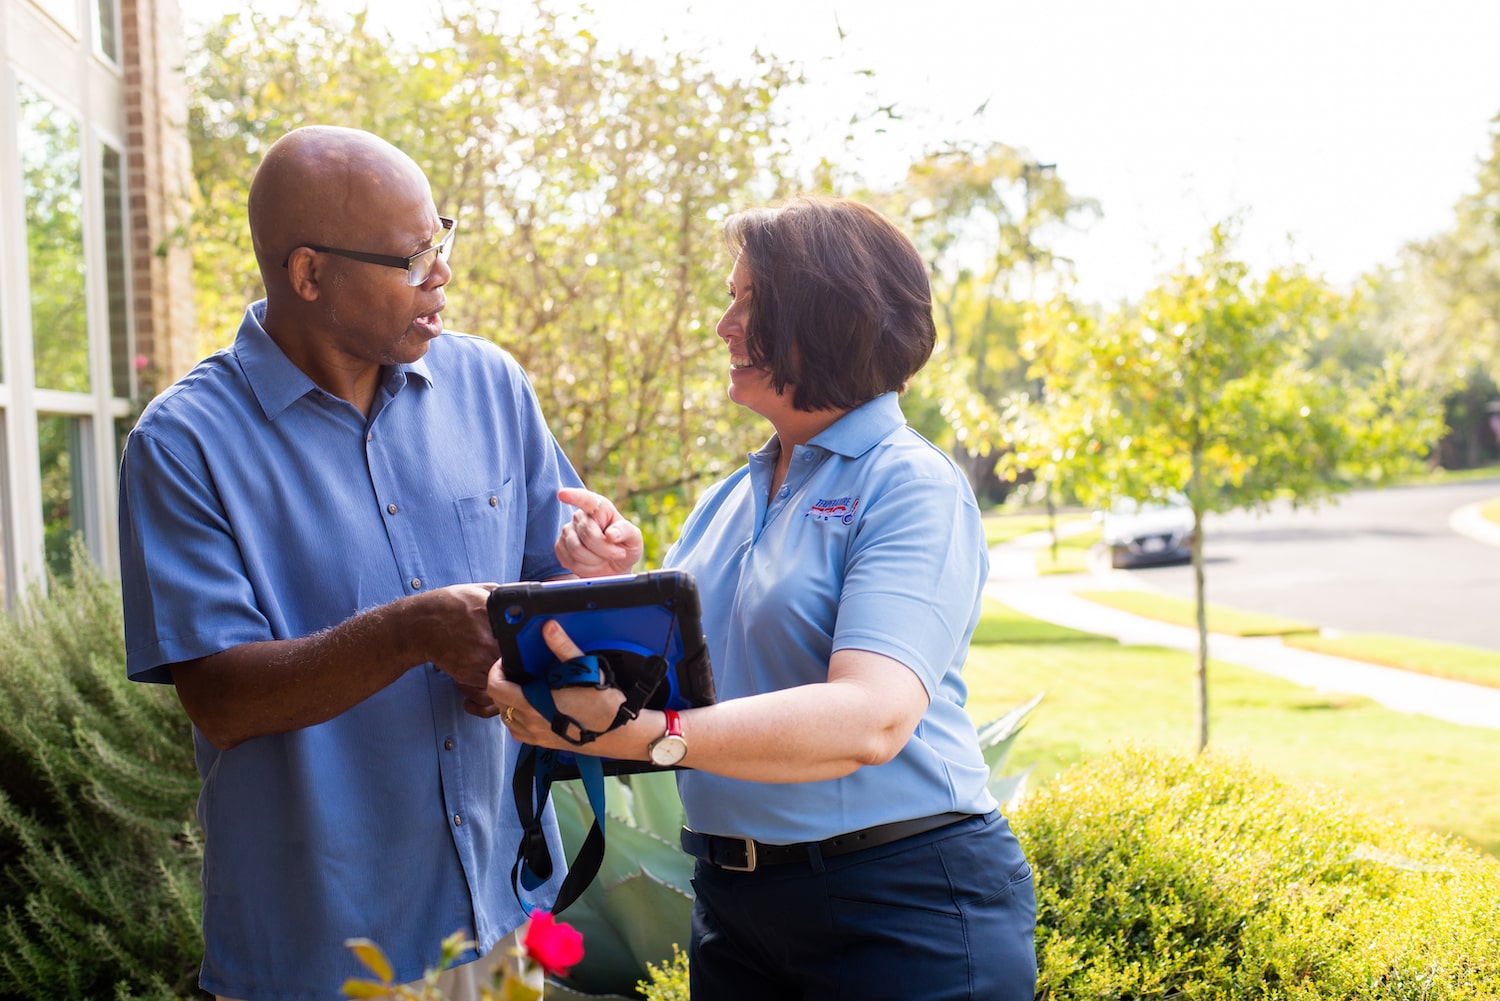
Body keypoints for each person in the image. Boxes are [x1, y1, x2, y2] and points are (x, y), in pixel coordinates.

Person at [117, 125, 638, 1001]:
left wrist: (590, 580)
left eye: (441, 240)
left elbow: (547, 600)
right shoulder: (183, 445)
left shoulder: (493, 386)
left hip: (506, 923)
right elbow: (223, 699)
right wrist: (413, 632)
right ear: (308, 273)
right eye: (411, 257)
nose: (441, 274)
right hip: (322, 955)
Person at [492, 196, 1038, 1000]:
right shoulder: (731, 495)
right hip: (735, 909)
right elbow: (690, 669)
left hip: (899, 906)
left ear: (824, 318)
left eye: (749, 302)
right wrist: (609, 581)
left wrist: (654, 736)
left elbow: (870, 718)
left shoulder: (909, 484)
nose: (723, 323)